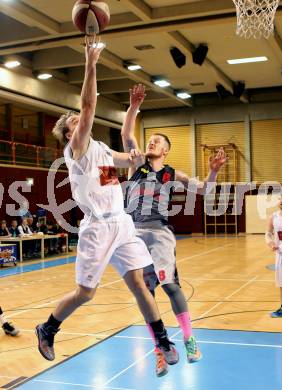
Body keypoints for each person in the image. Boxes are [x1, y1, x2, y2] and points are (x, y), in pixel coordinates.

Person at [35, 37, 178, 375]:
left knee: (139, 284)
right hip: (97, 228)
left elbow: (123, 157)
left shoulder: (98, 147)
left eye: (78, 123)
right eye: (73, 125)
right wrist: (91, 62)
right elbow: (86, 109)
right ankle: (49, 327)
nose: (80, 124)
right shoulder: (77, 150)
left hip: (121, 223)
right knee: (86, 293)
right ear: (69, 135)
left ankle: (161, 338)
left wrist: (134, 148)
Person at [121, 84, 228, 373]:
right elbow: (127, 135)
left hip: (158, 232)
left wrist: (214, 171)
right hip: (133, 233)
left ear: (166, 150)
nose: (151, 143)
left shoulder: (172, 173)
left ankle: (190, 339)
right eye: (151, 140)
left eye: (157, 141)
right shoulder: (136, 166)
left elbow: (205, 191)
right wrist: (133, 106)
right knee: (146, 294)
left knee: (169, 285)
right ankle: (159, 349)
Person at [265, 194, 282, 318]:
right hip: (280, 254)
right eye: (281, 198)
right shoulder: (273, 217)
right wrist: (270, 242)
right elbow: (267, 233)